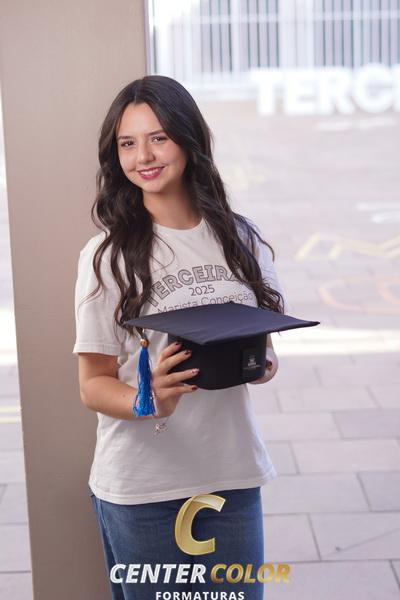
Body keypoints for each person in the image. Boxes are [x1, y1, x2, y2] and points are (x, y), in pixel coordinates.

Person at [73, 75, 287, 600]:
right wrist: (150, 399)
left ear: (189, 141)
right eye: (127, 143)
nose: (143, 156)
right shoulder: (107, 257)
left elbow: (266, 355)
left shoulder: (240, 239)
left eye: (158, 138)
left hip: (232, 478)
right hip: (143, 490)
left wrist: (259, 363)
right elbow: (93, 383)